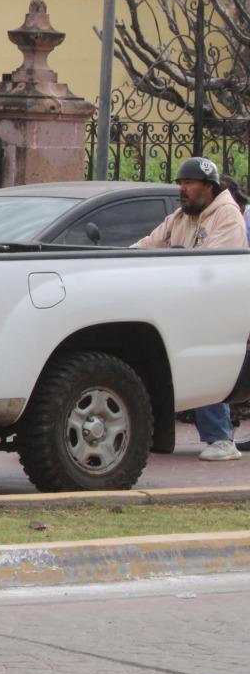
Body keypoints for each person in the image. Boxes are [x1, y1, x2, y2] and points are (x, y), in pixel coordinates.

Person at [132, 156, 249, 461]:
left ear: (208, 187)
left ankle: (222, 439)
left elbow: (209, 265)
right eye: (181, 183)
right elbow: (148, 245)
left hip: (217, 311)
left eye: (189, 183)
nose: (182, 190)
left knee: (204, 368)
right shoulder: (180, 218)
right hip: (184, 309)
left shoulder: (227, 216)